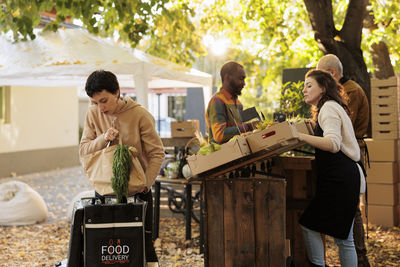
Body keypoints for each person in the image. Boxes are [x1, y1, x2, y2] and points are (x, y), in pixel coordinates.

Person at [79, 70, 165, 267]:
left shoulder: (140, 115)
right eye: (95, 102)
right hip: (105, 189)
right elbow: (84, 149)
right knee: (104, 247)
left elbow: (157, 153)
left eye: (104, 100)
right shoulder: (93, 114)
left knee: (142, 246)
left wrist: (146, 183)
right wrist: (104, 138)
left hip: (139, 191)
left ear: (117, 92)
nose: (100, 108)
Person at [298, 69, 366, 267]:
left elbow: (333, 143)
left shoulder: (328, 108)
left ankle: (318, 265)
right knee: (344, 239)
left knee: (311, 225)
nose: (304, 90)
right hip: (344, 177)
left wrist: (300, 136)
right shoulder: (331, 107)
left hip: (341, 179)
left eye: (309, 85)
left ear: (323, 88)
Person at [317, 54, 370, 266]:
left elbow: (342, 128)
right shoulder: (342, 91)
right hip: (345, 155)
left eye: (321, 77)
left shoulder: (351, 91)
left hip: (350, 156)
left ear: (331, 74)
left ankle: (361, 257)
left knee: (352, 208)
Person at [205, 61, 257, 144]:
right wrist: (249, 126)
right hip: (223, 155)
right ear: (228, 77)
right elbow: (219, 135)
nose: (244, 83)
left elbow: (239, 131)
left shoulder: (238, 103)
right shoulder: (217, 101)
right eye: (241, 78)